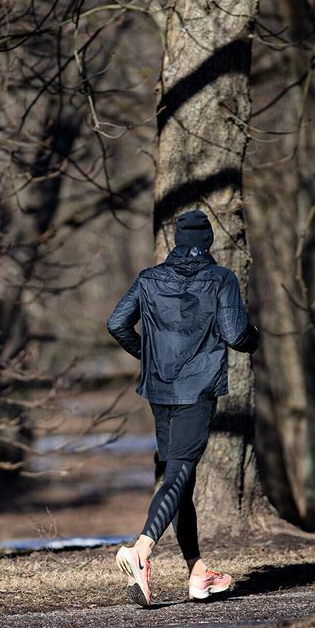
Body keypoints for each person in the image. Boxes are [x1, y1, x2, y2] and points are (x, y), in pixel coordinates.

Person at [106, 209, 260, 607]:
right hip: (197, 391)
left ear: (177, 240)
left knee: (181, 480)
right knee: (178, 475)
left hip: (160, 391)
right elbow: (235, 334)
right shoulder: (221, 279)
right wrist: (254, 336)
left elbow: (116, 323)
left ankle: (197, 573)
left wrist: (148, 356)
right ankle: (140, 550)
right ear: (207, 242)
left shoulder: (149, 278)